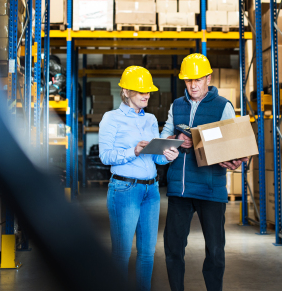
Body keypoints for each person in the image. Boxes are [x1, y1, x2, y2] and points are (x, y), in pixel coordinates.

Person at [160, 53, 248, 291]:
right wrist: (175, 140)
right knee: (173, 248)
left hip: (211, 189)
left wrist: (236, 157)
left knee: (216, 250)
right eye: (188, 80)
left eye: (198, 79)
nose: (193, 85)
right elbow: (164, 136)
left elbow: (235, 144)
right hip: (180, 188)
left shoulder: (223, 106)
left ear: (209, 78)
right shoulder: (176, 105)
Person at [99, 66, 179, 291]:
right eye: (140, 91)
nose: (146, 95)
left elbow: (155, 159)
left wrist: (168, 156)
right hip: (125, 189)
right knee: (122, 253)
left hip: (151, 191)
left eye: (148, 91)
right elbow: (105, 157)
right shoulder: (111, 119)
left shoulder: (151, 119)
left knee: (147, 254)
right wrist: (132, 151)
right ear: (125, 91)